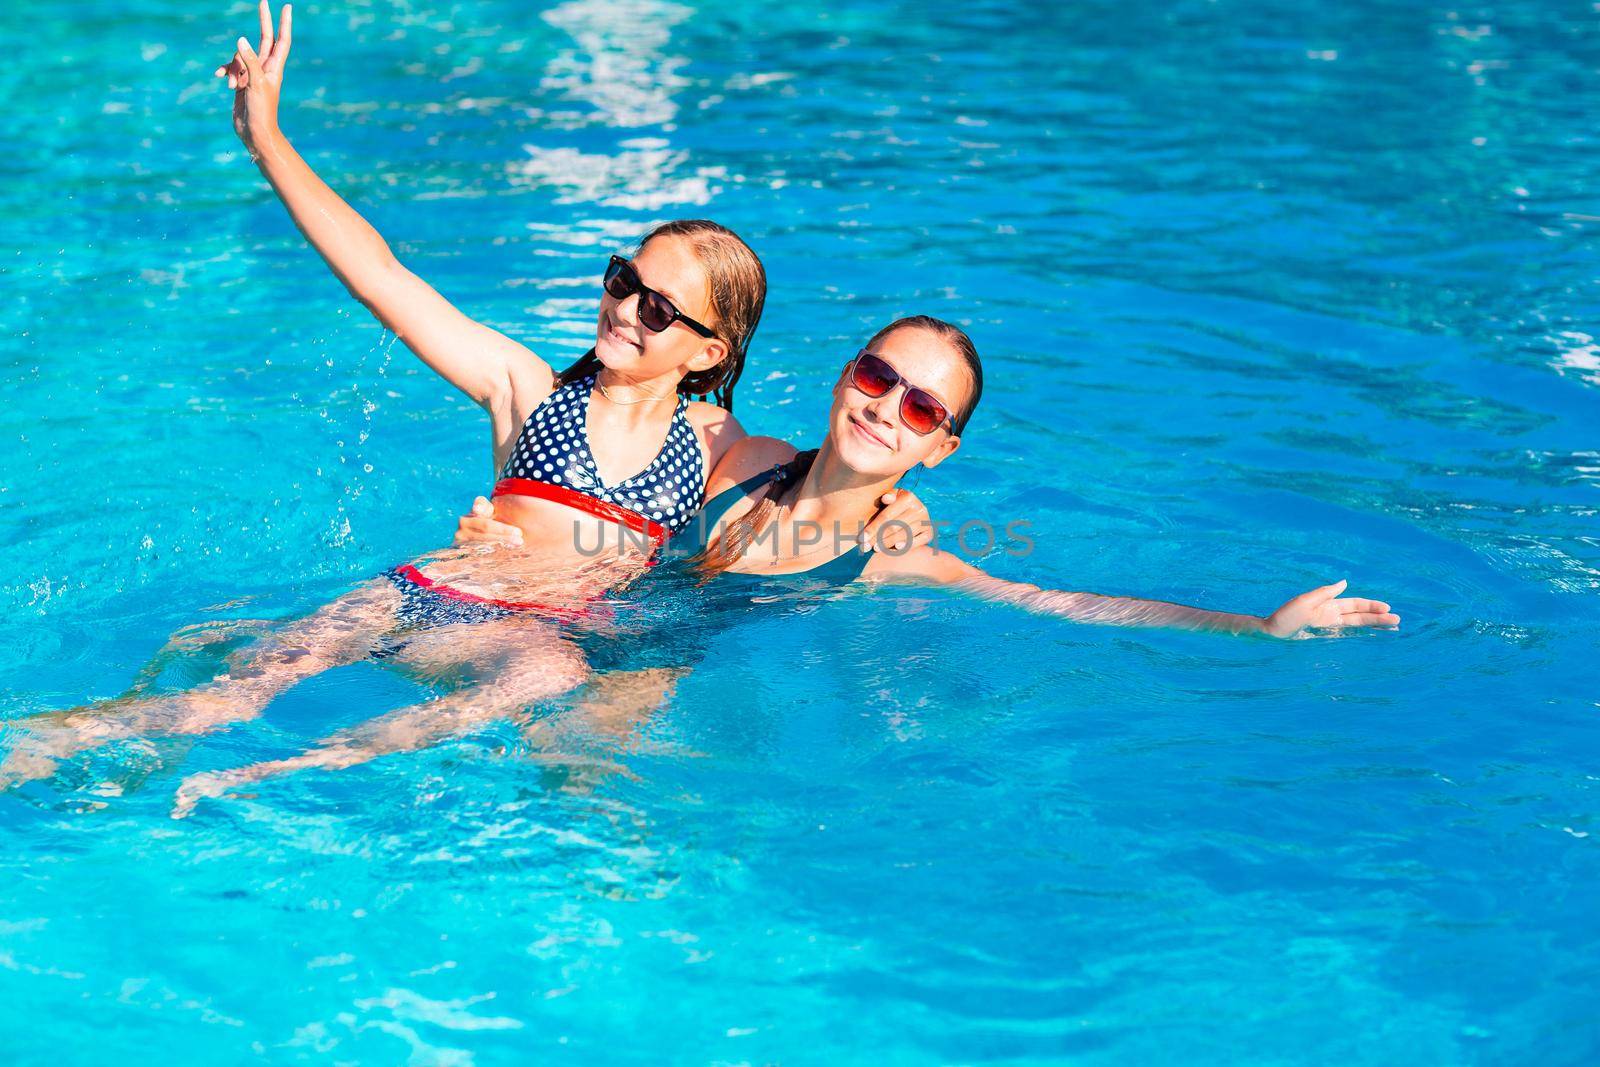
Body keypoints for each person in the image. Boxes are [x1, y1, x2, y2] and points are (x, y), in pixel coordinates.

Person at [0, 3, 924, 790]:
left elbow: (829, 479)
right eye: (619, 279)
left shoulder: (720, 446)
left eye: (657, 306)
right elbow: (381, 275)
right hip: (426, 593)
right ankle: (33, 752)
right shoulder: (525, 390)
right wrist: (269, 140)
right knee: (222, 698)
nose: (624, 309)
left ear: (708, 349)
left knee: (550, 676)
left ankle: (279, 774)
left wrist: (893, 506)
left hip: (520, 649)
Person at [168, 315, 1400, 816]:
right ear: (842, 375)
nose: (886, 406)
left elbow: (1061, 599)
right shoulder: (723, 449)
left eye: (919, 407)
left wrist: (1257, 627)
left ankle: (282, 774)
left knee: (589, 796)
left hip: (626, 667)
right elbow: (594, 444)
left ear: (938, 449)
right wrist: (498, 514)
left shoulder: (888, 557)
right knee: (215, 672)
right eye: (877, 376)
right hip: (528, 606)